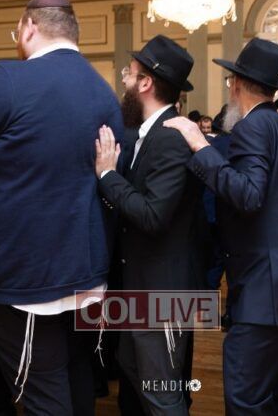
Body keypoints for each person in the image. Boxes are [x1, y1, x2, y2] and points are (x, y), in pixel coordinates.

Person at [0, 0, 123, 415]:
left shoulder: (8, 79)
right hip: (83, 270)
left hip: (23, 276)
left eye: (17, 32)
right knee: (75, 378)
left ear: (30, 27)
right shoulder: (103, 92)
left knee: (43, 396)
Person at [165, 38, 278, 415]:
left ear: (237, 84)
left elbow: (248, 195)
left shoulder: (252, 127)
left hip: (266, 297)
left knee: (247, 401)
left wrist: (200, 146)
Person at [95, 34, 204, 415]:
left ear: (145, 83)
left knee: (163, 394)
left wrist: (108, 176)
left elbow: (154, 216)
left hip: (163, 291)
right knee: (133, 367)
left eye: (129, 73)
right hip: (144, 286)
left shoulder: (170, 137)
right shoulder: (152, 133)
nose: (124, 79)